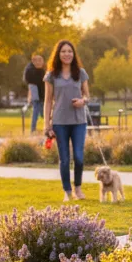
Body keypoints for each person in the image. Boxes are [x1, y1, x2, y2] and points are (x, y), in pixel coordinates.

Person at [42, 40, 91, 201]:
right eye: (63, 51)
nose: (67, 54)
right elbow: (48, 100)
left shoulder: (80, 73)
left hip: (79, 121)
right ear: (58, 54)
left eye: (69, 51)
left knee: (78, 156)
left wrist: (82, 101)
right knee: (64, 159)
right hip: (60, 122)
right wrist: (46, 125)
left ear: (73, 54)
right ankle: (67, 191)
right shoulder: (51, 75)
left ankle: (78, 187)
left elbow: (87, 95)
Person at [23, 54, 46, 132]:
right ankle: (33, 130)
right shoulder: (34, 71)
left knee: (41, 113)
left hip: (39, 95)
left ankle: (34, 129)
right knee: (39, 112)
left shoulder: (32, 70)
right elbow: (35, 83)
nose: (41, 62)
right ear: (34, 61)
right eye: (39, 60)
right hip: (38, 95)